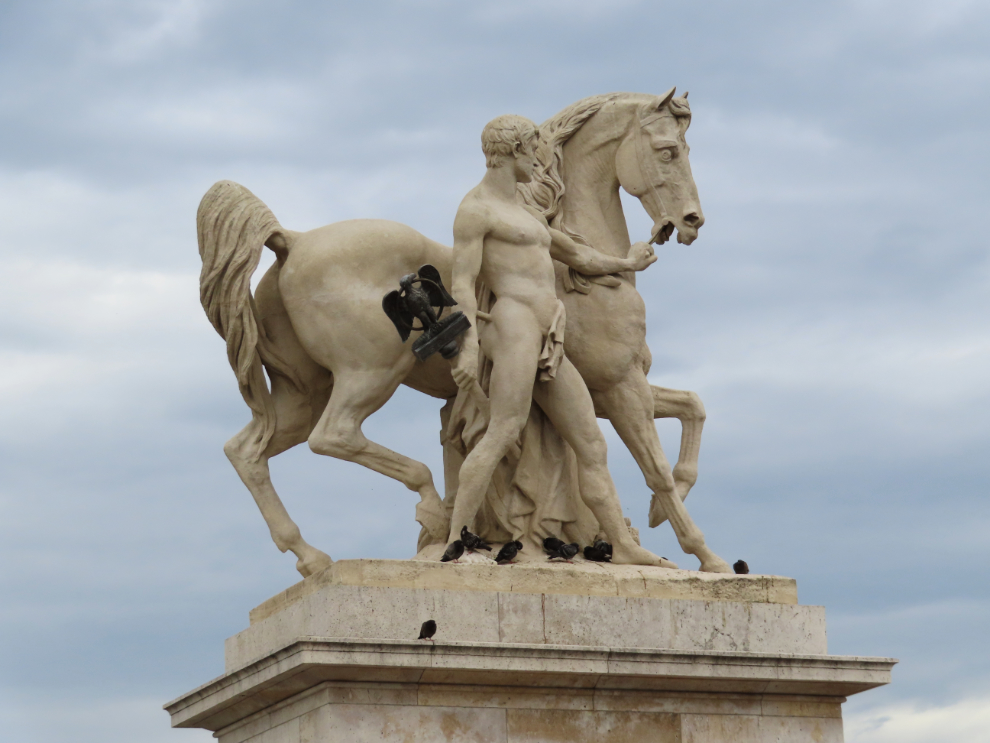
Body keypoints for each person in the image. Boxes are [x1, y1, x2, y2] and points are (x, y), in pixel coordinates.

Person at [446, 114, 666, 566]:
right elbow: (463, 284)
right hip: (513, 325)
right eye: (532, 151)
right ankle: (456, 539)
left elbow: (579, 255)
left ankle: (620, 544)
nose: (538, 162)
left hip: (548, 332)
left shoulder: (525, 212)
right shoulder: (476, 210)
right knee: (503, 430)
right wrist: (468, 346)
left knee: (590, 443)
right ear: (511, 152)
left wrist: (629, 264)